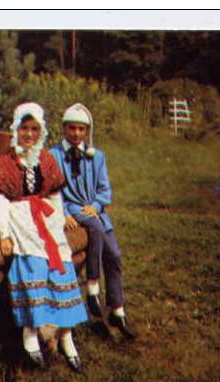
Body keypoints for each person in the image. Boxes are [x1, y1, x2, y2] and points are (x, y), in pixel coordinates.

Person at [0, 102, 88, 372]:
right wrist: (4, 233)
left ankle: (66, 336)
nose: (29, 134)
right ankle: (30, 334)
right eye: (24, 128)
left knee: (61, 269)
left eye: (34, 129)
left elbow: (55, 195)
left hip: (46, 219)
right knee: (32, 269)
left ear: (41, 130)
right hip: (21, 220)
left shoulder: (46, 158)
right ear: (16, 129)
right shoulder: (6, 161)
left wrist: (57, 221)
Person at [50, 103, 136, 339]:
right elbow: (52, 191)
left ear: (87, 131)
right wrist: (64, 212)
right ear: (63, 128)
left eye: (81, 129)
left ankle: (117, 311)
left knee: (115, 256)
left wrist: (96, 205)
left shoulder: (96, 156)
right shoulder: (54, 155)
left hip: (94, 212)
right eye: (71, 128)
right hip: (72, 209)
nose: (76, 134)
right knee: (95, 227)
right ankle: (92, 286)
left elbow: (104, 189)